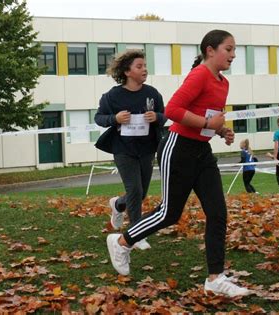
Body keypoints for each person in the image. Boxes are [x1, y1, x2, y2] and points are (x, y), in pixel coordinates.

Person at [106, 30, 250, 297]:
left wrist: (221, 131)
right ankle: (122, 241)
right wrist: (209, 124)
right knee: (169, 213)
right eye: (228, 49)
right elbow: (173, 110)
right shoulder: (199, 75)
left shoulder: (222, 83)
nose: (233, 55)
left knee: (218, 213)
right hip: (178, 148)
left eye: (234, 50)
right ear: (210, 50)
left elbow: (207, 116)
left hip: (202, 152)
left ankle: (215, 278)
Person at [94, 50, 166, 250]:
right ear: (127, 71)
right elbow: (99, 118)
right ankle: (136, 234)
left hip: (147, 149)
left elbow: (165, 115)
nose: (144, 69)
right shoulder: (113, 96)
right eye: (139, 66)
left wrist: (157, 118)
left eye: (144, 66)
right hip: (123, 149)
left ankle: (118, 204)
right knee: (134, 189)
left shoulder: (152, 93)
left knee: (140, 193)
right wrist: (114, 119)